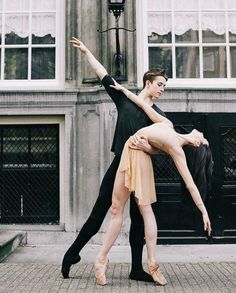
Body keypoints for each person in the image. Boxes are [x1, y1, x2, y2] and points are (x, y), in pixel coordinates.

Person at [61, 37, 168, 282]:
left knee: (139, 220)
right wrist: (87, 51)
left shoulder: (158, 115)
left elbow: (161, 148)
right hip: (119, 164)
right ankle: (72, 253)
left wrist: (148, 149)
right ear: (148, 83)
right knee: (100, 211)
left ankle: (136, 269)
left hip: (141, 167)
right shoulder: (124, 99)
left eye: (164, 86)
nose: (162, 89)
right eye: (160, 84)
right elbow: (103, 74)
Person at [93, 80, 212, 286]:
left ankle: (152, 263)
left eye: (202, 139)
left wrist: (204, 211)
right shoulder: (168, 126)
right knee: (116, 210)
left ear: (195, 144)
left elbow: (191, 184)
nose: (201, 135)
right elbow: (144, 106)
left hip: (137, 155)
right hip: (132, 150)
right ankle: (102, 260)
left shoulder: (177, 150)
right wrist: (123, 90)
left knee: (143, 210)